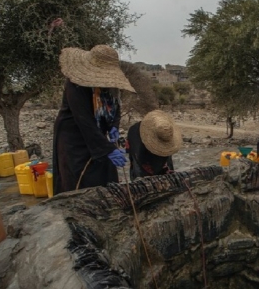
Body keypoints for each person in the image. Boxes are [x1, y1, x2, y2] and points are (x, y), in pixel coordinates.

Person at [52, 45, 135, 195]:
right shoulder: (75, 84)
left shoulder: (111, 86)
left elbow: (115, 106)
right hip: (74, 137)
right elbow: (84, 120)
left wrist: (113, 126)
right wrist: (108, 149)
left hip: (97, 135)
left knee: (106, 173)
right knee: (80, 178)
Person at [125, 110, 182, 180]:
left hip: (159, 161)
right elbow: (137, 158)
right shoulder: (135, 133)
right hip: (142, 161)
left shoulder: (165, 135)